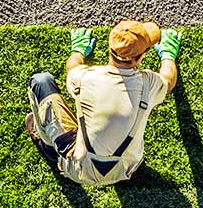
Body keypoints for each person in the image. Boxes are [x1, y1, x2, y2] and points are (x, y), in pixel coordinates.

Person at [26, 20, 182, 186]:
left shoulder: (84, 77)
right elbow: (169, 79)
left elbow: (72, 66)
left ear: (110, 48)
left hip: (79, 169)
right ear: (139, 57)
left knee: (41, 81)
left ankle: (50, 147)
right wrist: (167, 56)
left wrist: (78, 50)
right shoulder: (149, 84)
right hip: (126, 168)